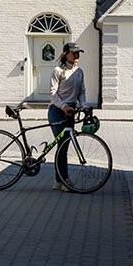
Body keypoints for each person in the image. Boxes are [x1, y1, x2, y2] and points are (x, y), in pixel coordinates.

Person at [48, 42, 88, 192]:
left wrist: (84, 105)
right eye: (74, 53)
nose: (77, 55)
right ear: (66, 54)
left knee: (63, 147)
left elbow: (81, 92)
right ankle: (64, 180)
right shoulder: (58, 71)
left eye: (78, 53)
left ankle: (58, 181)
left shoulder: (79, 72)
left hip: (71, 111)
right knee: (62, 146)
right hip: (57, 111)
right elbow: (52, 93)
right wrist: (64, 106)